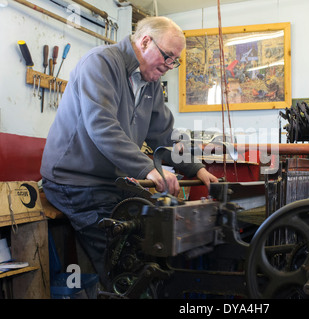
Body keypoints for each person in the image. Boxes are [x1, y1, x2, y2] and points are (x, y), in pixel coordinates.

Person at [40, 16, 218, 286]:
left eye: (175, 61)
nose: (169, 66)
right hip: (75, 182)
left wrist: (197, 169)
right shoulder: (99, 64)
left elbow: (164, 134)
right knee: (127, 260)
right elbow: (102, 126)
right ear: (145, 41)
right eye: (168, 57)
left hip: (113, 183)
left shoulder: (150, 82)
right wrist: (148, 168)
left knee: (156, 236)